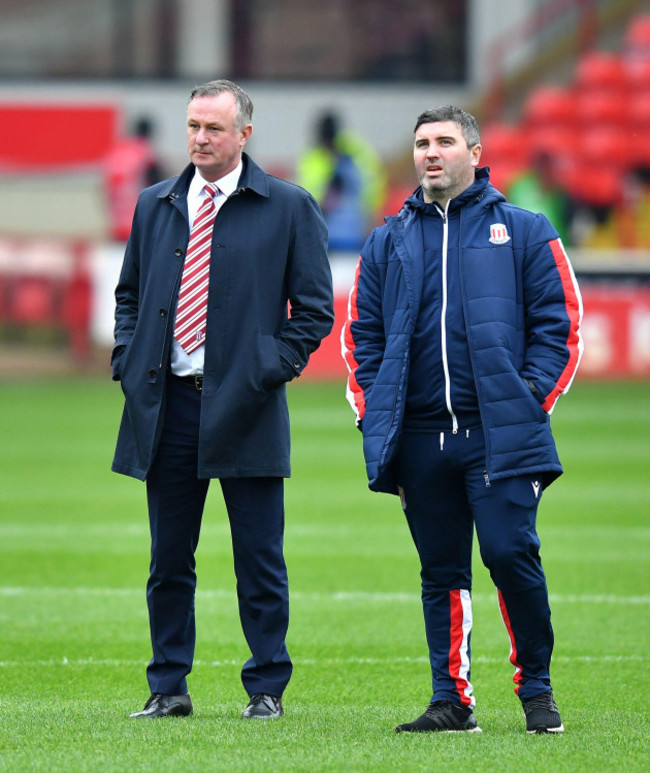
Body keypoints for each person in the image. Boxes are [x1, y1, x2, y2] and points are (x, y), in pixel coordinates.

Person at [342, 105, 583, 734]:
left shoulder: (526, 230)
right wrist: (375, 414)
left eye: (445, 141)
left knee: (510, 555)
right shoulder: (387, 237)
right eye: (422, 143)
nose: (430, 153)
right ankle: (451, 701)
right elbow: (360, 334)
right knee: (440, 573)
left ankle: (536, 689)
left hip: (498, 435)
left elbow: (561, 326)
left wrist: (527, 400)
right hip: (420, 439)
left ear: (474, 153)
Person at [111, 79, 334, 720]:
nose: (200, 139)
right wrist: (128, 361)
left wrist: (270, 366)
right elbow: (129, 295)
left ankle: (266, 688)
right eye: (193, 127)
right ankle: (168, 687)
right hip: (168, 408)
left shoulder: (289, 205)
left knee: (259, 558)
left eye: (213, 128)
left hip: (249, 405)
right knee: (168, 560)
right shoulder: (156, 203)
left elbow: (314, 310)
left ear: (244, 134)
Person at [297, 111, 387, 251]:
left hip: (354, 233)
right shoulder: (314, 157)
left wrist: (372, 217)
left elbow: (373, 187)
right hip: (328, 235)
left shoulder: (357, 154)